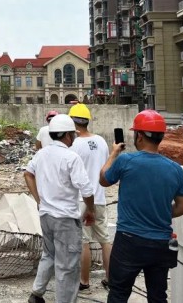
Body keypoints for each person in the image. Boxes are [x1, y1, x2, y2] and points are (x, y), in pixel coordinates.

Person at [100, 110, 183, 303]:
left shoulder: (125, 161)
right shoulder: (175, 169)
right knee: (158, 297)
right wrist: (161, 212)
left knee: (118, 293)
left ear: (139, 136)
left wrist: (114, 153)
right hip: (160, 243)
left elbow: (103, 179)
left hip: (129, 241)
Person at [25, 114, 96, 303]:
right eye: (72, 134)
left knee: (48, 255)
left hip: (46, 215)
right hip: (65, 219)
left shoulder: (42, 154)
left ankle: (37, 294)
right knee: (68, 266)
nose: (74, 137)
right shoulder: (71, 157)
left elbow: (28, 174)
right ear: (66, 135)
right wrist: (90, 210)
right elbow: (87, 189)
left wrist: (39, 199)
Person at [68, 103, 111, 291]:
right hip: (100, 197)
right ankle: (110, 279)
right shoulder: (101, 141)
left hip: (82, 199)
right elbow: (106, 166)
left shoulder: (74, 144)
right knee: (104, 239)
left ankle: (84, 281)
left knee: (84, 241)